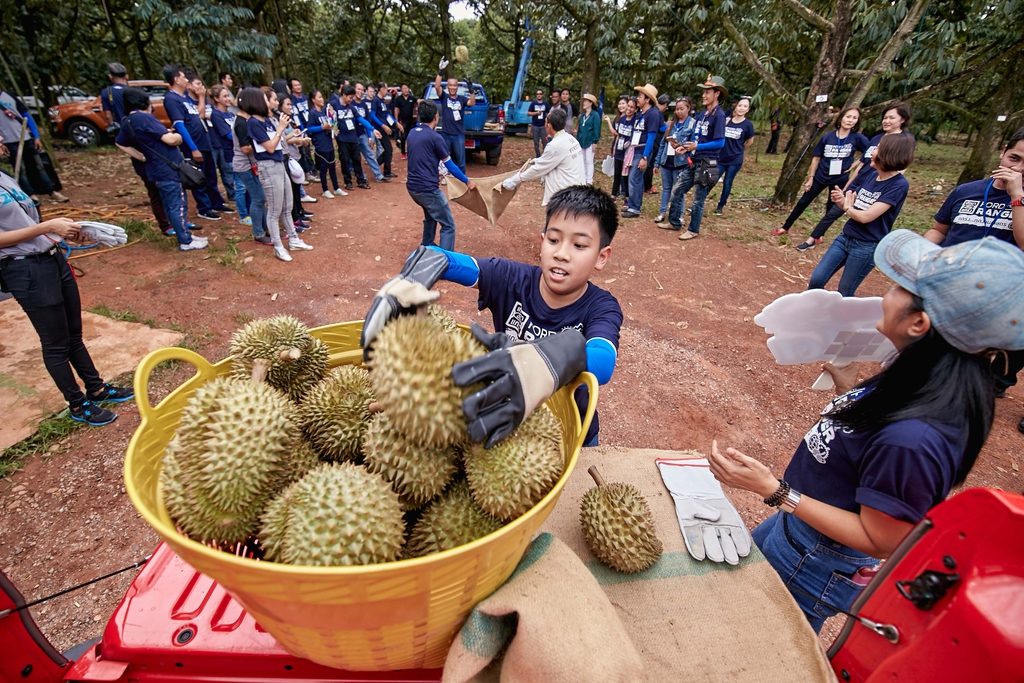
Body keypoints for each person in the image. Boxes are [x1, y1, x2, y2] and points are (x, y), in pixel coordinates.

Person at [709, 227, 1024, 631]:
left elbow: (882, 539)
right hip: (801, 526)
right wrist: (849, 388)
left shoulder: (914, 439)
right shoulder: (925, 375)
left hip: (818, 555)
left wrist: (775, 490)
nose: (884, 294)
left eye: (895, 287)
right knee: (738, 598)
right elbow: (874, 443)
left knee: (757, 636)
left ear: (918, 323)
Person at [361, 184, 622, 448]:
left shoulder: (601, 306)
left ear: (601, 257)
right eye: (554, 240)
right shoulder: (511, 278)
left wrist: (559, 356)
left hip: (571, 428)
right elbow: (461, 265)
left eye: (579, 245)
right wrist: (426, 262)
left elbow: (603, 359)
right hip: (505, 418)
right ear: (542, 242)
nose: (561, 254)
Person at [0, 172, 135, 426]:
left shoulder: (4, 177)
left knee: (74, 332)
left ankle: (96, 388)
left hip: (51, 258)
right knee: (55, 343)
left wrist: (61, 233)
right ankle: (76, 403)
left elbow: (24, 225)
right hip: (24, 270)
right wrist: (47, 227)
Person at [925, 128, 1024, 403]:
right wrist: (920, 257)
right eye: (1014, 158)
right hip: (945, 285)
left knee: (961, 362)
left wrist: (1017, 195)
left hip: (990, 298)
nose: (1017, 169)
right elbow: (939, 230)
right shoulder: (966, 191)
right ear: (1003, 152)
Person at [806, 134, 915, 296]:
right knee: (816, 280)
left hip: (867, 246)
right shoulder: (872, 174)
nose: (872, 151)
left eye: (877, 148)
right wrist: (842, 201)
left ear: (889, 154)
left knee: (845, 291)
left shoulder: (899, 185)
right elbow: (852, 202)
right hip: (845, 237)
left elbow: (866, 217)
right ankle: (816, 314)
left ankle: (843, 320)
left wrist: (847, 207)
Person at [794, 104, 914, 248]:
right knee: (834, 212)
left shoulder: (904, 140)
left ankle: (859, 251)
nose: (886, 121)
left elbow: (901, 168)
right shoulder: (876, 138)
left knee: (865, 218)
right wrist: (849, 184)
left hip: (876, 189)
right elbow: (863, 163)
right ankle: (812, 240)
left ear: (903, 120)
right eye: (885, 117)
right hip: (859, 183)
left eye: (891, 118)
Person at [116, 87, 208, 252]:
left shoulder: (127, 121)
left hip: (154, 169)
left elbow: (120, 142)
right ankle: (185, 241)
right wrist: (178, 137)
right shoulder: (144, 118)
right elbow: (170, 140)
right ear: (145, 102)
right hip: (167, 170)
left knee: (171, 204)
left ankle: (184, 235)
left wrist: (140, 156)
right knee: (177, 205)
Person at [772, 107, 868, 248]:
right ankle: (785, 227)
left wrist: (855, 165)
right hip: (821, 176)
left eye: (854, 118)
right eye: (848, 116)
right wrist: (810, 177)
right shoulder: (828, 137)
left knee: (830, 206)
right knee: (803, 202)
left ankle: (819, 235)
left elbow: (870, 152)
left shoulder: (857, 138)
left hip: (840, 179)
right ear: (841, 118)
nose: (850, 120)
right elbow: (816, 158)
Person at [243, 88, 314, 262]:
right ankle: (278, 246)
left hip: (279, 164)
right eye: (266, 99)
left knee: (287, 206)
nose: (270, 103)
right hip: (268, 167)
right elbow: (269, 147)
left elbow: (279, 143)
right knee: (274, 210)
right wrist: (281, 128)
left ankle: (294, 239)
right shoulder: (253, 123)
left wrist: (284, 130)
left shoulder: (267, 120)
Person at [405, 100, 475, 251]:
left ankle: (427, 245)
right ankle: (446, 260)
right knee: (448, 225)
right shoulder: (435, 137)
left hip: (412, 188)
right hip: (428, 189)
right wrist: (466, 180)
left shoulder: (412, 133)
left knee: (431, 215)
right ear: (436, 117)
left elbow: (420, 157)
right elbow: (450, 165)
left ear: (419, 116)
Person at [665, 75, 727, 239]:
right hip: (693, 161)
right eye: (703, 92)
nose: (704, 95)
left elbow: (720, 142)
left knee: (698, 199)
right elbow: (696, 138)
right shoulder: (702, 114)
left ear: (717, 94)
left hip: (707, 163)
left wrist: (697, 146)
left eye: (707, 92)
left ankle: (693, 230)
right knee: (677, 190)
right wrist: (683, 147)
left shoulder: (719, 116)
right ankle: (674, 222)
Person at [162, 64, 223, 221]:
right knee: (198, 176)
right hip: (194, 144)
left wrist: (201, 97)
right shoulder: (171, 99)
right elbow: (179, 125)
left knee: (210, 175)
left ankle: (216, 202)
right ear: (176, 79)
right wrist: (193, 148)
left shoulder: (186, 98)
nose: (185, 79)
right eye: (183, 77)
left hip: (205, 140)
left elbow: (200, 115)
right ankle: (204, 208)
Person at [502, 108, 584, 207]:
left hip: (564, 197)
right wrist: (537, 160)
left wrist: (514, 180)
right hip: (577, 192)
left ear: (549, 125)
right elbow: (554, 159)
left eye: (546, 122)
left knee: (557, 222)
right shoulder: (571, 139)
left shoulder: (555, 145)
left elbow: (538, 169)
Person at [0, 86, 69, 203]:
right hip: (8, 142)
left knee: (39, 165)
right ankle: (30, 195)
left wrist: (36, 136)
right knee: (20, 169)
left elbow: (26, 115)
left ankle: (51, 191)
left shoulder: (9, 95)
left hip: (26, 137)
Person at [230, 91, 268, 243]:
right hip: (244, 166)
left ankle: (265, 229)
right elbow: (245, 148)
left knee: (261, 198)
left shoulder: (247, 120)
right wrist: (263, 144)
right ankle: (258, 233)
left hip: (251, 164)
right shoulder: (241, 122)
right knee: (258, 198)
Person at [622, 83, 663, 218]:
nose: (637, 98)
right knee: (632, 178)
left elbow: (651, 136)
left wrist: (645, 157)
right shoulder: (641, 113)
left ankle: (635, 208)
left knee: (635, 178)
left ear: (647, 99)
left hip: (642, 150)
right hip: (635, 148)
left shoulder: (653, 114)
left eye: (640, 96)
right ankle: (632, 204)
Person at [654, 97, 696, 225]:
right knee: (666, 188)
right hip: (667, 161)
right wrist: (657, 162)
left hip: (681, 162)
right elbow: (662, 144)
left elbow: (694, 144)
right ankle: (662, 212)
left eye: (681, 109)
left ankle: (680, 215)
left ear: (688, 109)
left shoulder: (692, 124)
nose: (678, 112)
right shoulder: (671, 124)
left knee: (679, 190)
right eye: (677, 109)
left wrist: (681, 146)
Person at [713, 96, 756, 216]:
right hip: (721, 157)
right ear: (735, 107)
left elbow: (750, 141)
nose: (742, 108)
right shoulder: (727, 120)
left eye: (745, 106)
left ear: (748, 109)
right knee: (712, 179)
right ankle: (699, 201)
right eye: (740, 105)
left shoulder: (748, 125)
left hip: (735, 159)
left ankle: (720, 206)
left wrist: (741, 149)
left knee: (727, 182)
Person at [433, 68, 476, 173]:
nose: (452, 87)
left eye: (454, 85)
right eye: (450, 85)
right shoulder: (444, 97)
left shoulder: (462, 99)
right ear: (448, 86)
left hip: (458, 134)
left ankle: (462, 182)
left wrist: (471, 89)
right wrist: (440, 72)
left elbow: (472, 103)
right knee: (444, 159)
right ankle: (445, 178)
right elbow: (437, 86)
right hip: (446, 134)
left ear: (457, 86)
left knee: (460, 161)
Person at [305, 89, 345, 199]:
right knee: (323, 168)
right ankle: (325, 189)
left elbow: (331, 124)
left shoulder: (324, 112)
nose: (322, 99)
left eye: (322, 97)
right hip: (320, 144)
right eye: (319, 97)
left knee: (332, 166)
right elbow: (309, 128)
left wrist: (333, 123)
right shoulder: (312, 113)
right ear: (313, 100)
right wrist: (322, 127)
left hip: (329, 142)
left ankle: (336, 188)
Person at [331, 84, 370, 191]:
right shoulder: (334, 105)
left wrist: (371, 129)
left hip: (353, 137)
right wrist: (334, 132)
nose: (351, 100)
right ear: (344, 95)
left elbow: (360, 119)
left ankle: (361, 180)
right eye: (350, 97)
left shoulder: (351, 107)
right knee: (345, 160)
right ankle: (347, 182)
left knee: (357, 159)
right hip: (342, 139)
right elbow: (330, 119)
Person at [209, 85, 238, 202]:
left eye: (228, 96)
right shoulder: (216, 115)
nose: (228, 99)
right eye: (225, 96)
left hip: (236, 150)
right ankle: (233, 196)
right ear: (217, 99)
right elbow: (228, 134)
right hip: (227, 151)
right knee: (230, 176)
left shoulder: (231, 114)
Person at [352, 82, 386, 183]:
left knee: (369, 154)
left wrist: (370, 136)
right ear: (354, 90)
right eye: (358, 89)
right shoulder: (350, 104)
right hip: (352, 135)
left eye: (362, 89)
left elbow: (367, 120)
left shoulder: (364, 105)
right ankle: (361, 176)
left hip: (362, 133)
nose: (360, 91)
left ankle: (379, 175)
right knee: (355, 157)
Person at [367, 84, 397, 179]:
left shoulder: (383, 101)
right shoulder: (375, 101)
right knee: (388, 149)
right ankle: (384, 170)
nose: (387, 91)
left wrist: (396, 123)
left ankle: (377, 164)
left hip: (385, 127)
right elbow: (372, 115)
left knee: (388, 149)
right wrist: (382, 125)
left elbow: (387, 115)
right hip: (379, 129)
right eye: (385, 89)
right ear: (381, 89)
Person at [643, 94, 670, 194]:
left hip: (650, 141)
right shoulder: (657, 113)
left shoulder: (652, 111)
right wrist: (668, 126)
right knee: (650, 164)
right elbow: (661, 128)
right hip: (654, 142)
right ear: (665, 104)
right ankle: (647, 186)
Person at [610, 98, 635, 200]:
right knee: (617, 173)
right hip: (619, 149)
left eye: (631, 107)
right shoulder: (621, 119)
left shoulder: (635, 121)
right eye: (628, 106)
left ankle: (627, 196)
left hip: (628, 152)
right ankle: (613, 194)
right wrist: (615, 147)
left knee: (626, 175)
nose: (629, 109)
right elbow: (618, 134)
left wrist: (630, 142)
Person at [575, 93, 602, 184]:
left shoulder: (595, 115)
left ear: (591, 103)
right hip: (581, 141)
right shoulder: (582, 116)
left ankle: (589, 180)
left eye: (586, 101)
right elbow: (579, 129)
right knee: (581, 160)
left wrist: (595, 142)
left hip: (590, 141)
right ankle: (582, 178)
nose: (584, 103)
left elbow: (597, 129)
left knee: (589, 161)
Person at [99, 62, 128, 132]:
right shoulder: (135, 91)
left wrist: (112, 124)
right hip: (136, 127)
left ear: (110, 76)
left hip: (121, 129)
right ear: (126, 76)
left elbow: (108, 115)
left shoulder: (106, 92)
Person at [392, 84, 416, 158]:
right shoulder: (398, 99)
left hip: (411, 120)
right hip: (402, 121)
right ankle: (403, 152)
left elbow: (417, 103)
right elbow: (396, 110)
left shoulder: (412, 98)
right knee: (403, 137)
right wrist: (396, 121)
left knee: (411, 137)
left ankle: (410, 152)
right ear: (401, 90)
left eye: (407, 88)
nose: (406, 90)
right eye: (404, 88)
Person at [528, 89, 549, 158]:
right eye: (537, 94)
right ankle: (538, 156)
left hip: (543, 126)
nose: (539, 95)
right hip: (535, 126)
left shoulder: (545, 103)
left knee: (545, 142)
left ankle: (545, 157)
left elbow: (549, 113)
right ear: (536, 95)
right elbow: (528, 113)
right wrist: (536, 113)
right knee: (536, 143)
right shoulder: (533, 103)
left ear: (542, 95)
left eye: (540, 94)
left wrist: (547, 122)